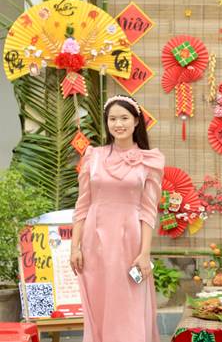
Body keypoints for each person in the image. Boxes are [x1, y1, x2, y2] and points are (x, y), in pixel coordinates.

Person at [70, 95, 164, 342]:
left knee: (129, 301)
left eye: (124, 118)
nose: (118, 124)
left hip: (130, 240)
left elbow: (148, 211)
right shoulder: (93, 156)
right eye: (112, 119)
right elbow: (82, 205)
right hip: (95, 241)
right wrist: (74, 247)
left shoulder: (149, 160)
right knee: (100, 301)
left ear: (136, 121)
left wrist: (145, 253)